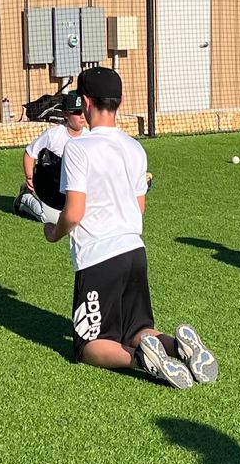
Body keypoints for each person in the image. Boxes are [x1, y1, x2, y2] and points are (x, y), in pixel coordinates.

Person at [43, 66, 216, 387]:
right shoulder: (135, 148)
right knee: (137, 330)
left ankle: (142, 360)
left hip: (98, 257)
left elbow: (75, 211)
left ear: (84, 101)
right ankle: (178, 347)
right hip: (133, 250)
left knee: (87, 346)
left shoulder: (78, 148)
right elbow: (140, 207)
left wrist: (54, 232)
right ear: (120, 102)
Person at [15, 90, 87, 222]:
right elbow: (30, 153)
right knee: (51, 218)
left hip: (78, 190)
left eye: (83, 111)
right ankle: (24, 199)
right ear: (65, 114)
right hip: (53, 186)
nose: (82, 116)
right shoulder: (53, 134)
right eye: (76, 112)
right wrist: (30, 177)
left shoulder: (90, 137)